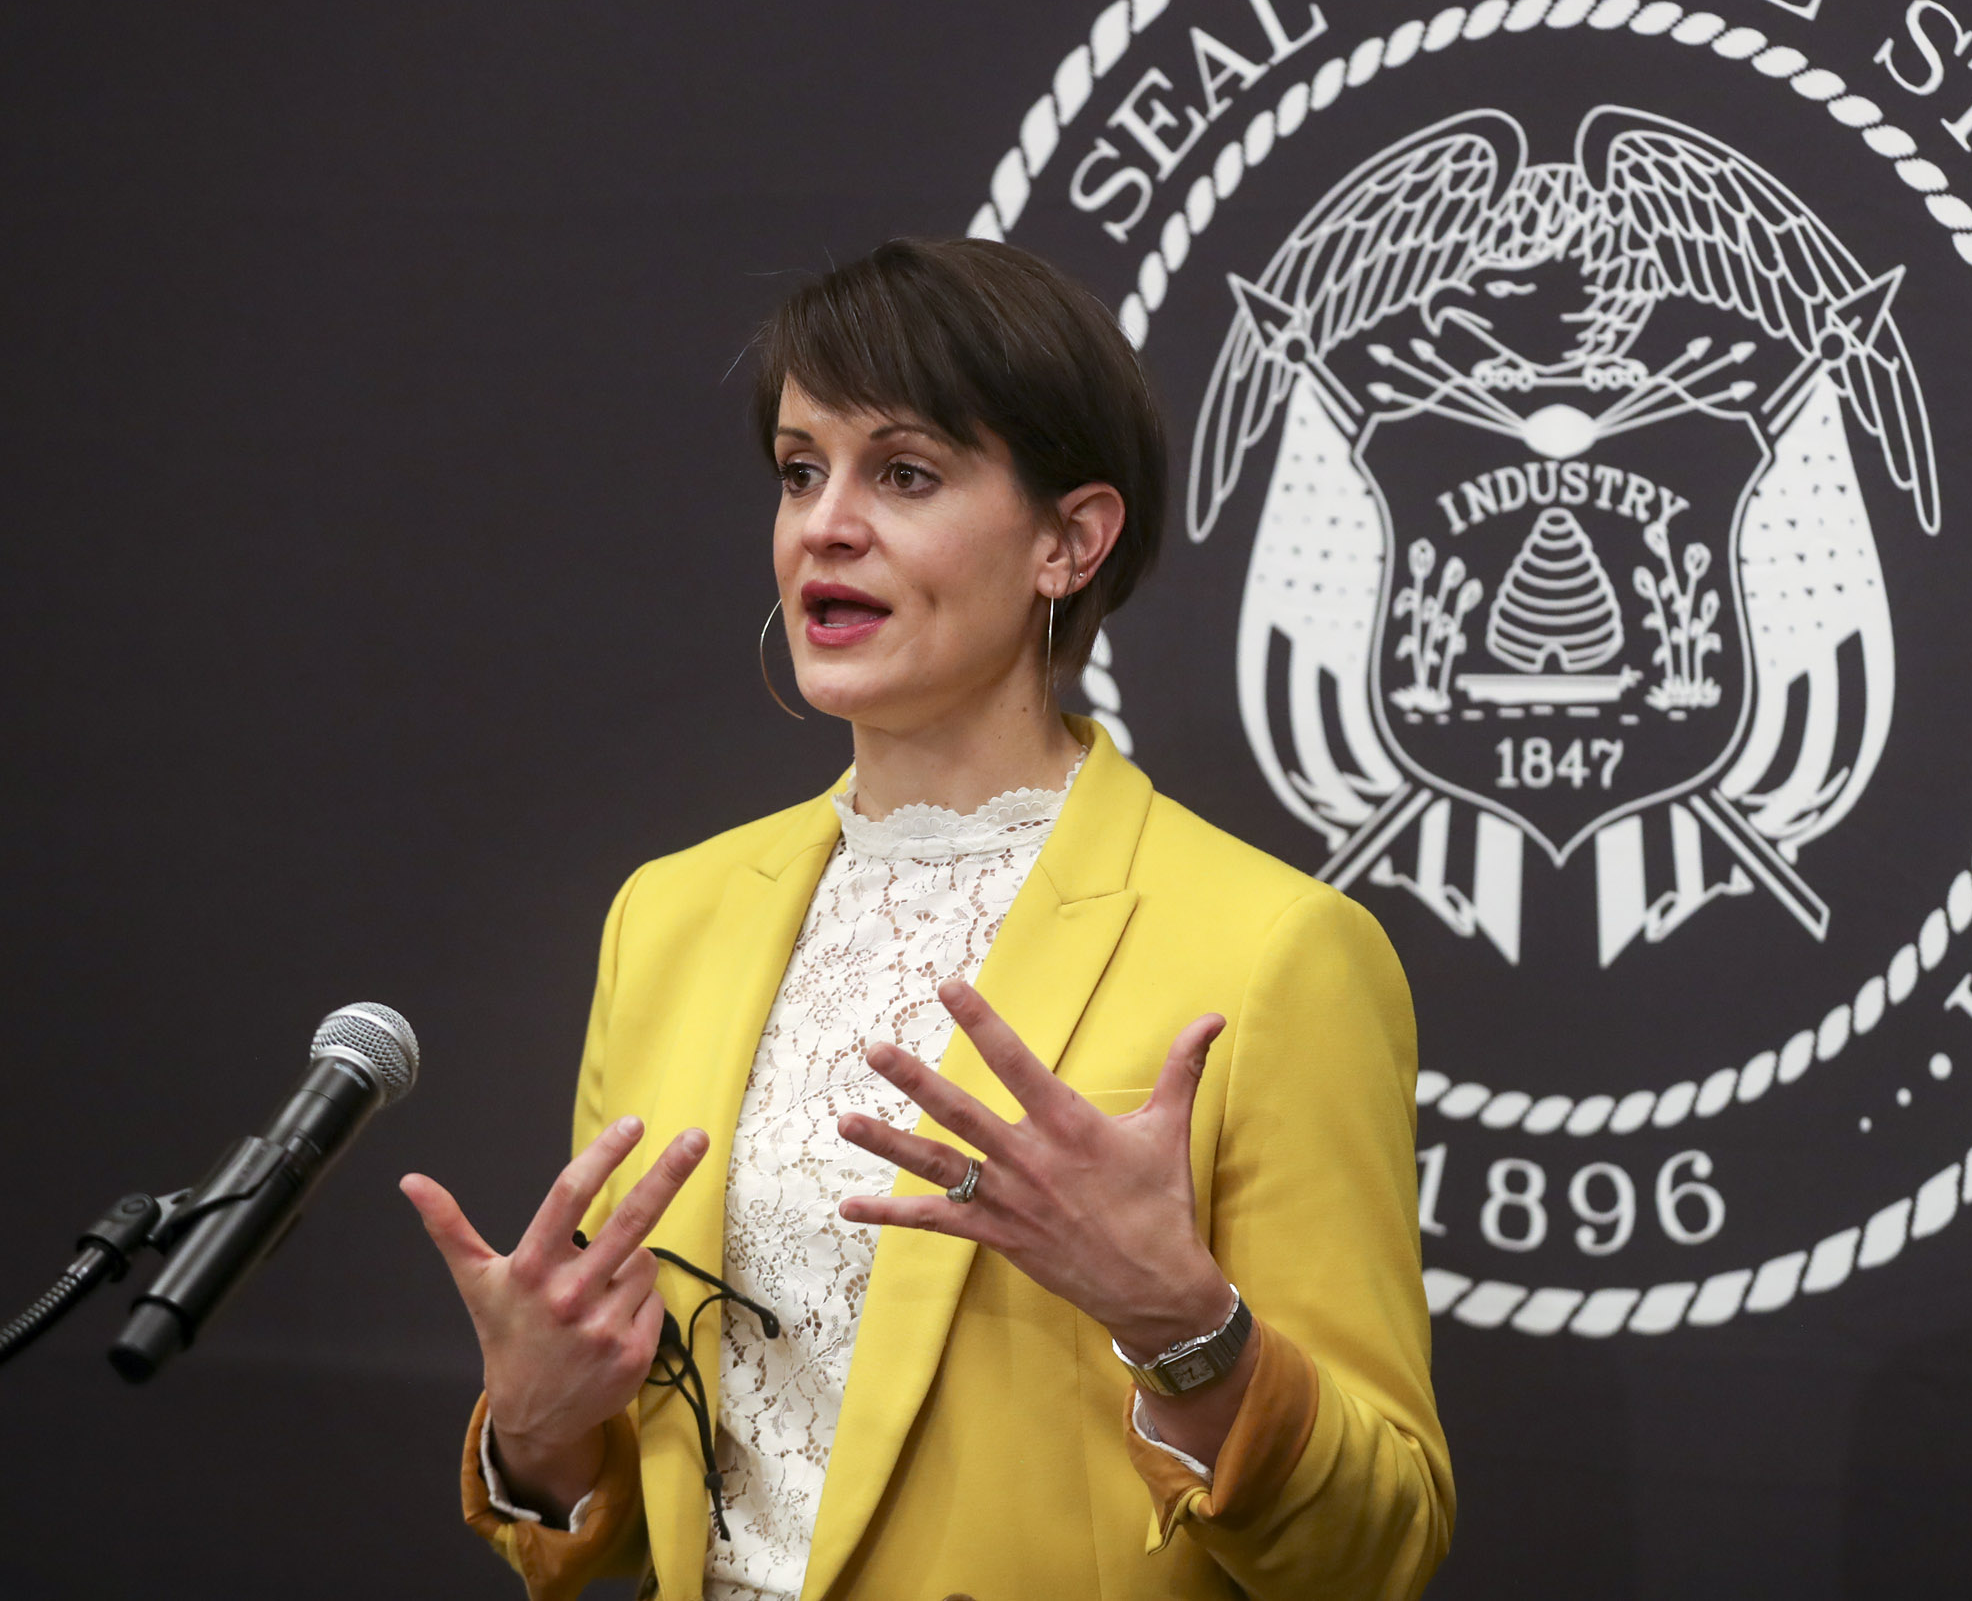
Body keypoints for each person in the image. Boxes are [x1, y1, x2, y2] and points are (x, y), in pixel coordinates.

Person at [400, 238, 1453, 1601]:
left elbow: (1378, 1551)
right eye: (798, 470)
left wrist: (1187, 1330)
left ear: (1069, 540)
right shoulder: (669, 917)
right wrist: (541, 1426)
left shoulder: (1277, 951)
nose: (823, 524)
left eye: (903, 473)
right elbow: (605, 1509)